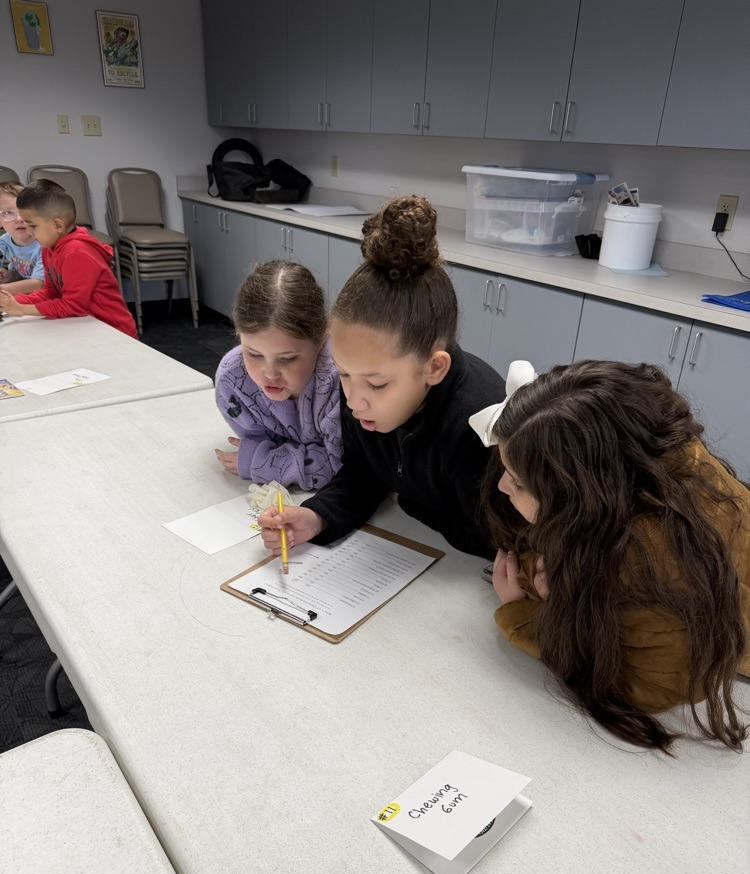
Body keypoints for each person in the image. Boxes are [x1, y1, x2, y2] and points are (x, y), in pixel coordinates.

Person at [475, 358, 750, 753]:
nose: (503, 486)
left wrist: (529, 617)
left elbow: (651, 687)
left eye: (518, 482)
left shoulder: (652, 559)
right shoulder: (640, 466)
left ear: (579, 498)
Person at [259, 194, 507, 559]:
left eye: (377, 384)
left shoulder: (479, 425)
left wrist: (404, 499)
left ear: (434, 368)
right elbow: (363, 471)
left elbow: (490, 536)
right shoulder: (360, 391)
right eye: (343, 373)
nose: (354, 401)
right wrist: (317, 516)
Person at [214, 259, 343, 489]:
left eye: (288, 359)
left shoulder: (343, 377)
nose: (270, 374)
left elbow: (347, 465)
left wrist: (262, 463)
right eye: (254, 354)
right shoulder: (232, 381)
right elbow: (264, 443)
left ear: (322, 339)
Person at [0, 179, 137, 338]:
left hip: (114, 333)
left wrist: (20, 309)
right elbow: (50, 292)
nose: (29, 232)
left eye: (33, 226)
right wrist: (11, 301)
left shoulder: (77, 252)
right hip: (85, 327)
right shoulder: (48, 247)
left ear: (58, 226)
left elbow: (73, 306)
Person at [0, 182, 44, 295]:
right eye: (8, 212)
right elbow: (23, 273)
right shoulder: (5, 242)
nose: (19, 219)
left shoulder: (44, 242)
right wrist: (10, 275)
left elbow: (39, 283)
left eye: (23, 211)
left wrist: (2, 289)